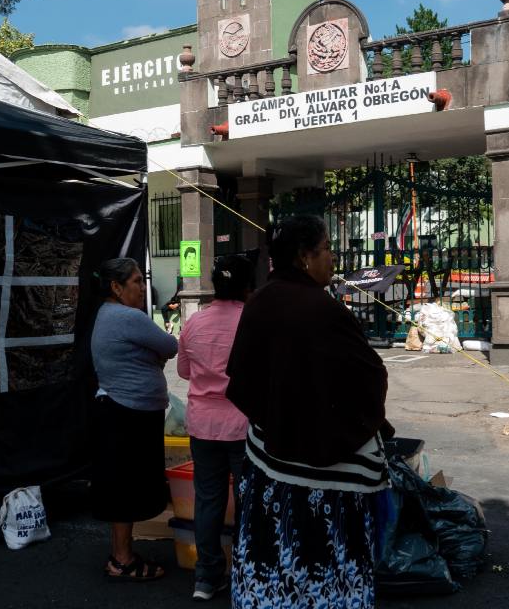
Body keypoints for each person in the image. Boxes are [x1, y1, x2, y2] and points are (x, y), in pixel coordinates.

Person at [225, 215, 391, 608]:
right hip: (326, 485)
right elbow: (367, 377)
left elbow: (243, 378)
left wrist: (281, 418)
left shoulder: (261, 300)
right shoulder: (322, 309)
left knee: (271, 558)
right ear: (304, 258)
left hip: (267, 464)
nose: (333, 258)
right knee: (325, 566)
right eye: (327, 249)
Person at [89, 257, 178, 581]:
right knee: (125, 488)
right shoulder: (128, 317)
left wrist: (151, 354)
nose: (143, 287)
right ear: (117, 286)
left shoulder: (107, 314)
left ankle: (119, 556)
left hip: (120, 410)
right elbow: (170, 345)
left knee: (119, 487)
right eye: (137, 281)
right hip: (128, 413)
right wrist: (153, 355)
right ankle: (123, 560)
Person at [176, 254, 254, 601]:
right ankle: (248, 572)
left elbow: (182, 371)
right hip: (241, 425)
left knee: (208, 500)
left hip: (202, 425)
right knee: (249, 500)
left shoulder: (193, 323)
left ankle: (206, 577)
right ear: (248, 286)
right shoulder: (252, 322)